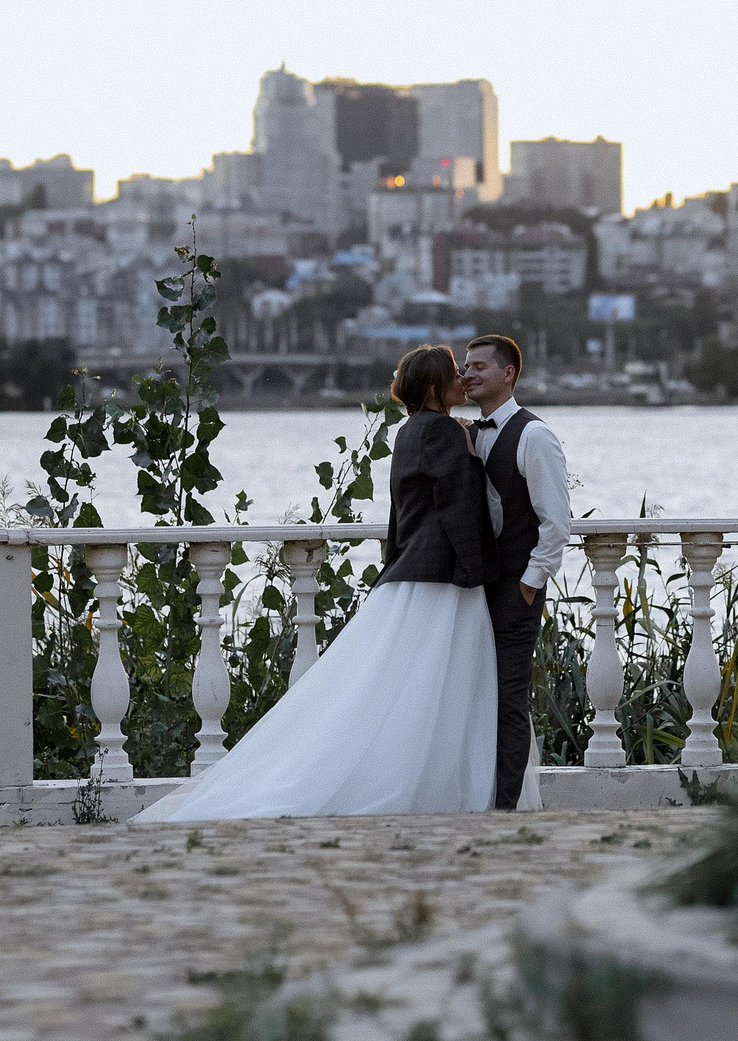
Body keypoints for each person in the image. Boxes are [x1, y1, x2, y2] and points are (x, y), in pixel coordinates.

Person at [132, 345, 497, 821]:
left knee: (391, 686)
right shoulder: (447, 432)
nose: (462, 379)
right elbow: (458, 505)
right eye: (453, 373)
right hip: (442, 575)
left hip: (410, 567)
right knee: (438, 686)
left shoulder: (407, 431)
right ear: (433, 388)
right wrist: (478, 564)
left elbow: (402, 512)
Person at [457, 333, 571, 812]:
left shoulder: (534, 436)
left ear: (509, 374)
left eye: (479, 366)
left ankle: (505, 807)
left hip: (514, 589)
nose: (468, 374)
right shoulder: (469, 433)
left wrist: (529, 583)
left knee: (507, 700)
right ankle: (478, 795)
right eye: (465, 367)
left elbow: (557, 522)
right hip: (473, 589)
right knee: (472, 698)